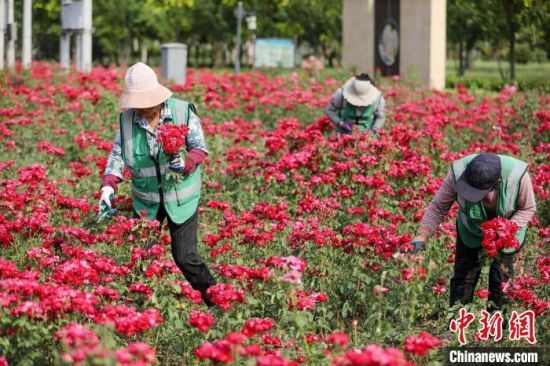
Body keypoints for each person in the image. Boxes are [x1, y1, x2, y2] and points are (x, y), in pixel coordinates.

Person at [99, 62, 216, 307]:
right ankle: (139, 315)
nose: (140, 109)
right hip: (146, 201)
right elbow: (118, 154)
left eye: (144, 103)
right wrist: (108, 185)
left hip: (181, 198)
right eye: (136, 104)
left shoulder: (182, 111)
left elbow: (199, 147)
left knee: (185, 257)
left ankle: (216, 300)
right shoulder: (128, 120)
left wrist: (186, 163)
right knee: (140, 258)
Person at [411, 153, 537, 309]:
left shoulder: (517, 175)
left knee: (502, 281)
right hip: (471, 230)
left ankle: (496, 328)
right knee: (464, 279)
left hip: (508, 234)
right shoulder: (458, 172)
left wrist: (506, 229)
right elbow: (438, 206)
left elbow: (528, 207)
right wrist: (421, 235)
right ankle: (457, 325)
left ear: (496, 184)